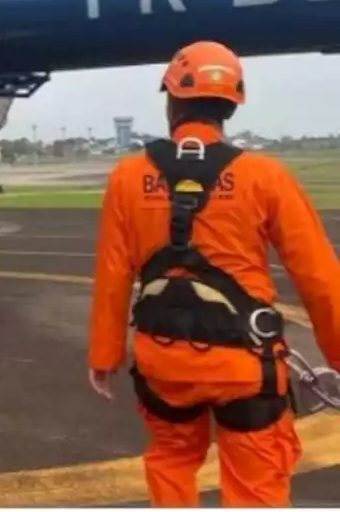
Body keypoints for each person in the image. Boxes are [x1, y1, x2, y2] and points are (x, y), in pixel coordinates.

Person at [87, 40, 340, 507]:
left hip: (163, 362)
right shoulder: (264, 176)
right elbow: (320, 278)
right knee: (256, 486)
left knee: (170, 461)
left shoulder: (127, 177)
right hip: (244, 365)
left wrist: (104, 356)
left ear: (171, 99)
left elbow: (112, 272)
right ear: (230, 106)